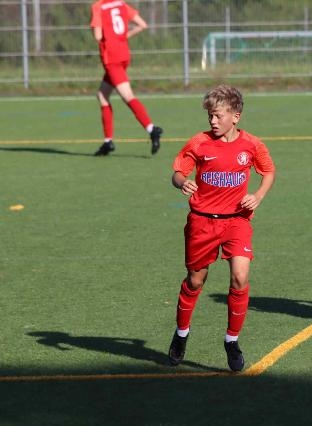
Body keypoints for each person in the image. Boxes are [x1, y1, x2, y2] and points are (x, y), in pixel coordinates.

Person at [168, 85, 276, 372]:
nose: (212, 121)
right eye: (210, 116)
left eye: (218, 116)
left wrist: (258, 196)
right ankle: (181, 334)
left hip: (236, 221)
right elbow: (177, 173)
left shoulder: (251, 145)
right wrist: (183, 182)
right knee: (195, 281)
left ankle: (232, 341)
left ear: (235, 116)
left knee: (240, 276)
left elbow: (268, 171)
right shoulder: (199, 143)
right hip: (202, 221)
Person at [90, 0, 163, 156]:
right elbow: (142, 25)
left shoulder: (98, 7)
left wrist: (96, 29)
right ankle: (108, 142)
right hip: (123, 54)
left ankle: (152, 129)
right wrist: (123, 36)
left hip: (112, 58)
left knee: (128, 96)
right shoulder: (121, 4)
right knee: (102, 95)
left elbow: (98, 36)